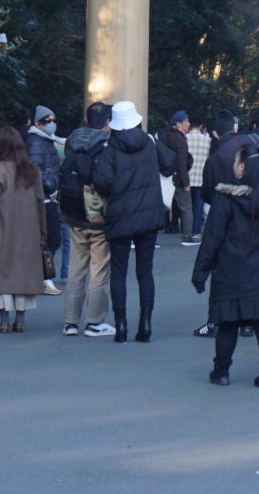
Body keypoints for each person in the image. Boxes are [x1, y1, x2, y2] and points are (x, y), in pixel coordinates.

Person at [194, 140, 259, 387]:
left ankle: (221, 372)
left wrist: (201, 271)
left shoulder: (225, 198)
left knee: (227, 325)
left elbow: (212, 238)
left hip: (231, 269)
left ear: (242, 167)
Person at [92, 100, 172, 342]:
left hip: (120, 217)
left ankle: (121, 326)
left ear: (114, 125)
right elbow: (170, 164)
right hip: (149, 215)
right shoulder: (150, 142)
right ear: (136, 121)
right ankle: (145, 325)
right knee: (145, 271)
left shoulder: (110, 150)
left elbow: (102, 183)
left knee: (118, 271)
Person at [0, 126, 48, 333]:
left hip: (1, 229)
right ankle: (21, 320)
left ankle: (4, 320)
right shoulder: (32, 169)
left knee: (1, 275)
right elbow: (41, 202)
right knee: (23, 276)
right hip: (29, 232)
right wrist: (42, 232)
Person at [58, 102, 116, 337]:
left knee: (76, 269)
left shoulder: (72, 142)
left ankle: (70, 322)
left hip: (73, 214)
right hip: (97, 215)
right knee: (99, 270)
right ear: (107, 123)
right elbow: (105, 182)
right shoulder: (105, 146)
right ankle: (95, 322)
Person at [25, 105, 66, 293]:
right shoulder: (36, 142)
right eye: (46, 121)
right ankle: (44, 278)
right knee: (51, 239)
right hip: (44, 198)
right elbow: (37, 170)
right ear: (37, 123)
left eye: (53, 120)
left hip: (46, 196)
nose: (51, 124)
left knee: (47, 239)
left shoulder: (46, 140)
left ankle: (41, 278)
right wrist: (51, 189)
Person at [161, 109, 194, 244]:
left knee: (160, 206)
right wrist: (186, 183)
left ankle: (152, 237)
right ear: (178, 124)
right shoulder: (180, 141)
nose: (188, 123)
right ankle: (187, 236)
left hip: (164, 177)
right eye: (186, 121)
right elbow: (182, 164)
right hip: (179, 180)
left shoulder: (164, 137)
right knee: (186, 208)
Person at [185, 114, 213, 243]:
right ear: (201, 126)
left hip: (187, 176)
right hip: (201, 177)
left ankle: (185, 230)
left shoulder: (185, 138)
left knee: (187, 206)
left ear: (190, 124)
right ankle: (195, 232)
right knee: (198, 206)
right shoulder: (208, 141)